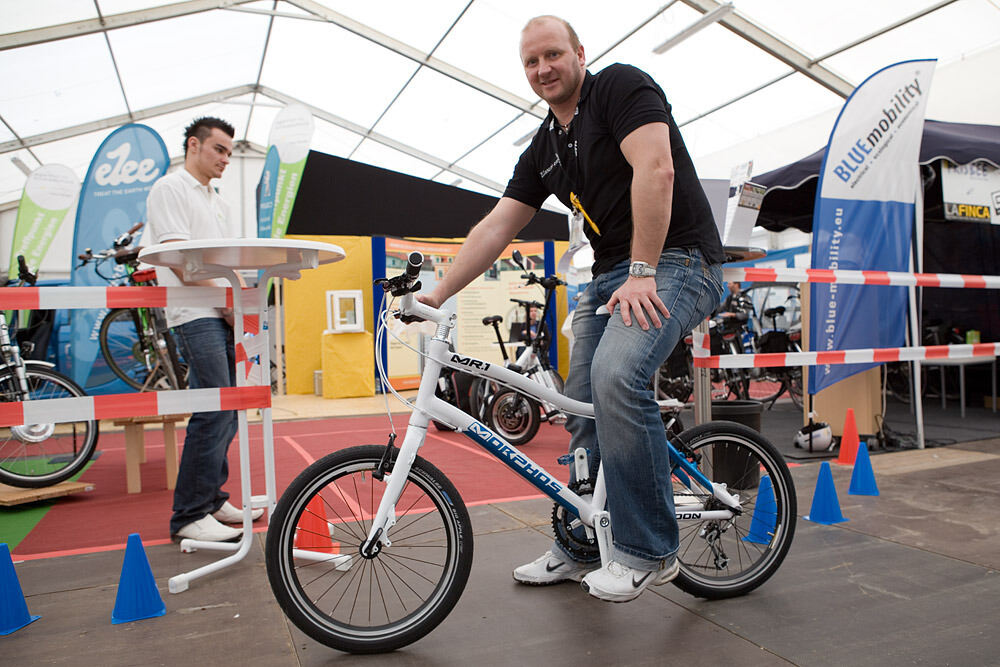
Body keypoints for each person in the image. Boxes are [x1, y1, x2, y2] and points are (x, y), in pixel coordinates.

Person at [417, 16, 725, 602]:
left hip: (679, 261)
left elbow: (656, 169)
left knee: (615, 378)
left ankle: (648, 550)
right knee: (579, 407)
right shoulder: (546, 145)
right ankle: (586, 542)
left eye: (553, 54)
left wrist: (641, 272)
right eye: (531, 62)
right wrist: (436, 292)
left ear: (580, 53)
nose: (543, 69)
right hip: (612, 276)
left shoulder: (620, 88)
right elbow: (497, 226)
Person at [143, 116, 263, 542]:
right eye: (220, 150)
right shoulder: (169, 189)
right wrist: (230, 299)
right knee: (213, 410)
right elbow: (184, 263)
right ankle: (189, 515)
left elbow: (221, 261)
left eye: (230, 152)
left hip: (219, 309)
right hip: (194, 312)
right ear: (194, 145)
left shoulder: (218, 201)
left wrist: (238, 297)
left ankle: (211, 500)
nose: (226, 159)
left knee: (228, 410)